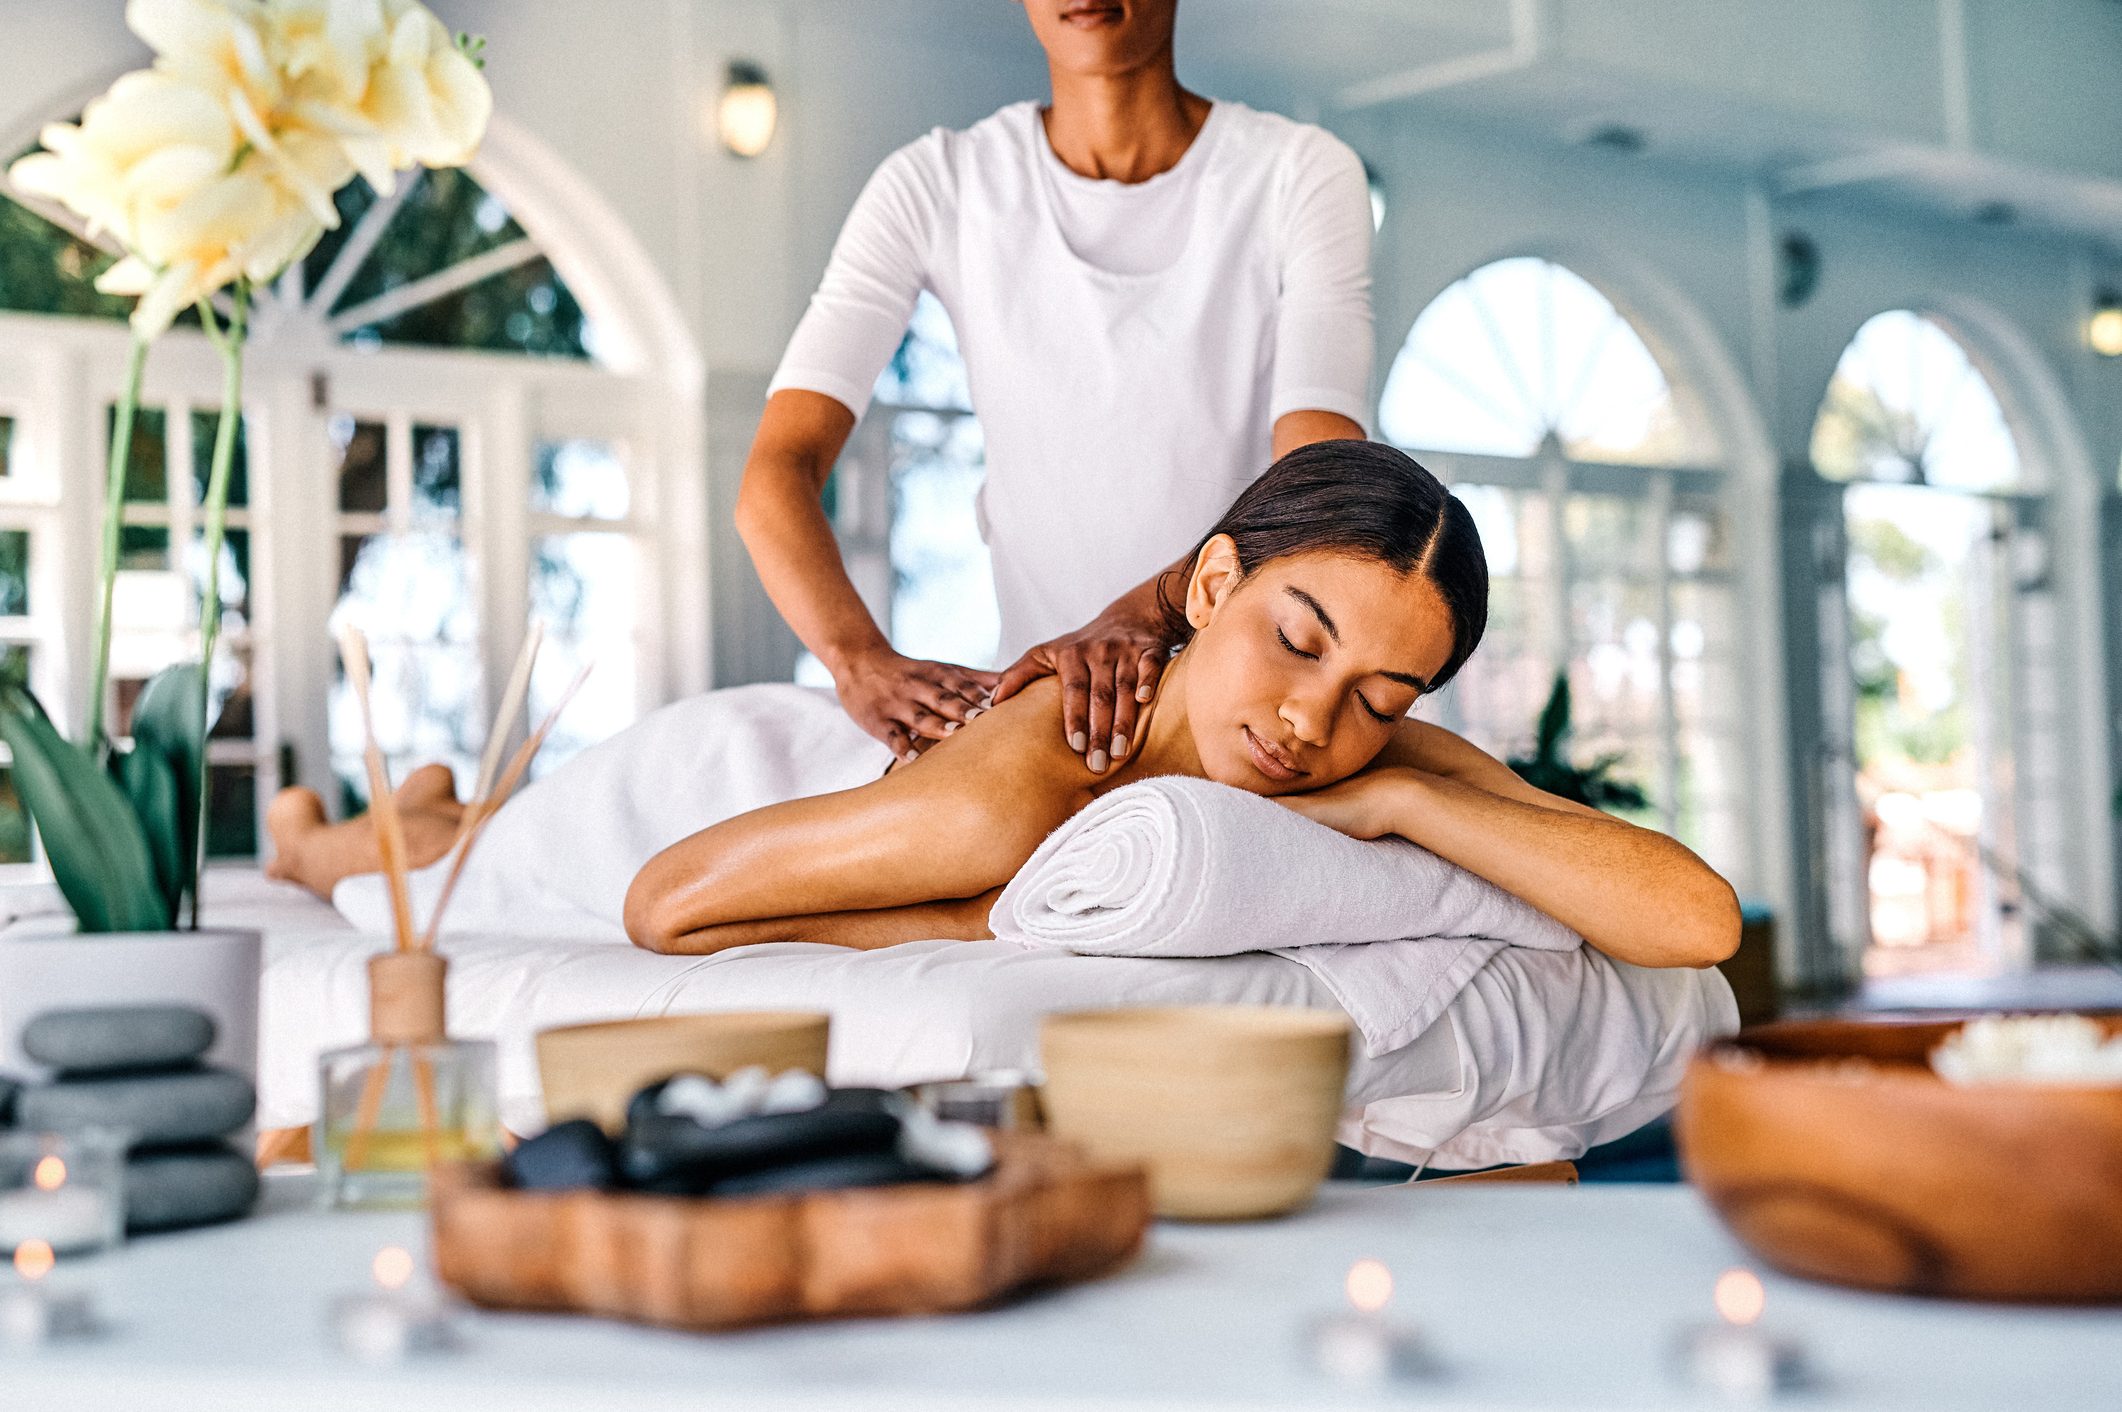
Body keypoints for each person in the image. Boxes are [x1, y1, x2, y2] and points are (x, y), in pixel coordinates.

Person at [268, 443, 1741, 972]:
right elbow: (665, 906)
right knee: (441, 872)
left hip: (846, 799)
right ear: (1211, 580)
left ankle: (424, 800)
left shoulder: (1352, 744)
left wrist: (1411, 792)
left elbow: (1696, 922)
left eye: (1384, 693)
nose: (1312, 722)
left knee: (464, 819)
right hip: (700, 790)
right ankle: (323, 834)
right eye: (1298, 638)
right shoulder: (1029, 784)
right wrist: (989, 914)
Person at [739, 0, 1375, 775]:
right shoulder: (936, 183)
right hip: (1047, 720)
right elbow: (776, 474)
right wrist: (858, 662)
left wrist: (1144, 616)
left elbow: (1323, 487)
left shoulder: (1299, 174)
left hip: (1246, 720)